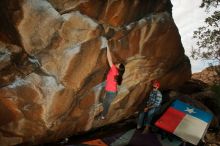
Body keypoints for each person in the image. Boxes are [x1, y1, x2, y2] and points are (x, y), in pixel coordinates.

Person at [101, 44, 125, 120]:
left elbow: (109, 59)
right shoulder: (116, 71)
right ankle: (103, 110)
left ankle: (103, 116)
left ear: (118, 68)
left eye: (118, 64)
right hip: (111, 91)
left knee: (106, 105)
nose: (117, 63)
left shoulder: (114, 70)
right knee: (105, 102)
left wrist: (107, 47)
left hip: (111, 92)